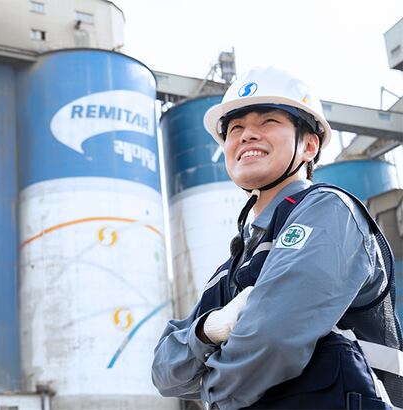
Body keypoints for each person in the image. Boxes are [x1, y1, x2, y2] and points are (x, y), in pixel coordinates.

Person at [151, 66, 403, 409]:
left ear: (309, 145)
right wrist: (209, 328)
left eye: (268, 121)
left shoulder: (329, 212)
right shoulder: (234, 265)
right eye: (235, 128)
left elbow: (271, 340)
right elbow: (164, 370)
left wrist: (208, 388)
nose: (246, 135)